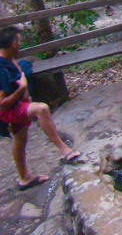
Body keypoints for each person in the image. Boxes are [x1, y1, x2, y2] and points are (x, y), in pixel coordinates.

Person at [0, 26, 83, 191]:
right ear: (14, 45)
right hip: (8, 109)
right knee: (42, 109)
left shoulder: (10, 58)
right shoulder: (1, 70)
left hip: (18, 104)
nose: (21, 44)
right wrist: (22, 89)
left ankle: (25, 178)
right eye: (20, 41)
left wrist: (24, 93)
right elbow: (2, 104)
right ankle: (64, 150)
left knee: (20, 139)